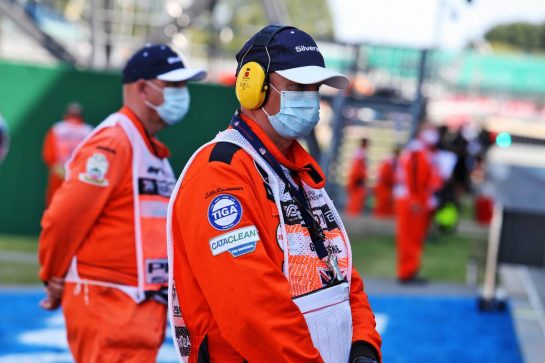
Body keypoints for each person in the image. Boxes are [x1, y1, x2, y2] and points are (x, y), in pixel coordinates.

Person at [167, 25, 381, 363]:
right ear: (252, 88)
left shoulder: (299, 173)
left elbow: (342, 272)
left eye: (316, 88)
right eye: (298, 86)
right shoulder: (219, 172)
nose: (311, 98)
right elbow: (250, 307)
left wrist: (364, 347)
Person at [38, 44, 206, 363]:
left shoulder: (148, 147)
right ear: (143, 88)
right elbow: (63, 217)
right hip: (109, 306)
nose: (182, 94)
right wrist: (53, 274)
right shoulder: (114, 142)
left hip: (135, 310)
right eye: (174, 86)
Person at [394, 123, 443, 284]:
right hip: (412, 200)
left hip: (415, 199)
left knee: (415, 237)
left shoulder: (422, 151)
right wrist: (415, 199)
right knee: (410, 237)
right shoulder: (417, 151)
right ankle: (407, 272)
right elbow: (414, 177)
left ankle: (411, 269)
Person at [42, 103, 92, 206]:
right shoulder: (89, 131)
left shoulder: (56, 129)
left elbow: (49, 157)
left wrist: (62, 172)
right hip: (80, 177)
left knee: (55, 208)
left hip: (60, 174)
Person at [373, 146, 400, 218]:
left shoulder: (391, 162)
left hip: (385, 187)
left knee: (386, 206)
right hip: (384, 187)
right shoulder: (388, 163)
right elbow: (385, 176)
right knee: (382, 206)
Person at [346, 138, 369, 216]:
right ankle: (353, 214)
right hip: (357, 178)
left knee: (355, 198)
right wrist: (361, 176)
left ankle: (353, 213)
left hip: (356, 177)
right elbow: (358, 168)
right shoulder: (360, 154)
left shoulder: (359, 153)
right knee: (356, 198)